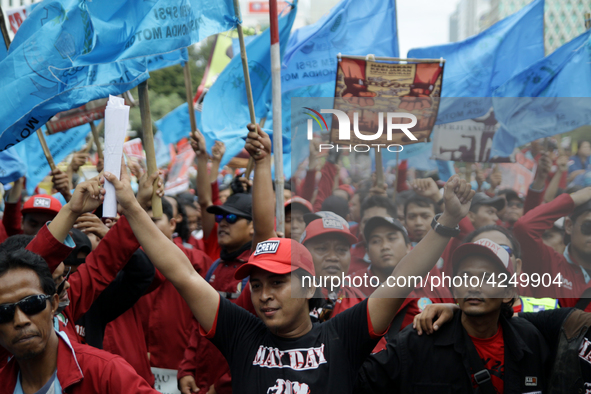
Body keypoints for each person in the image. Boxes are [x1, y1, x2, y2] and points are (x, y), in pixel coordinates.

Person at [103, 122, 476, 393]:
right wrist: (131, 206)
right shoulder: (241, 335)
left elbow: (400, 279)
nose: (264, 294)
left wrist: (447, 222)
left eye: (278, 283)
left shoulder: (342, 337)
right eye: (258, 283)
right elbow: (182, 272)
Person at [357, 238, 550, 393]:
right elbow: (361, 380)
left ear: (508, 293)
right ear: (454, 290)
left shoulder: (530, 341)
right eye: (465, 277)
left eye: (486, 278)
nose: (473, 286)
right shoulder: (419, 340)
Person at [0, 249, 159, 394]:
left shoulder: (105, 373)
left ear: (54, 304)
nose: (20, 320)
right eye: (4, 312)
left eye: (32, 304)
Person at [513, 186, 591, 307]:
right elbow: (524, 228)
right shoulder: (547, 263)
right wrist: (572, 200)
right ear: (569, 226)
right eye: (588, 226)